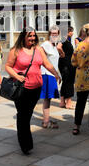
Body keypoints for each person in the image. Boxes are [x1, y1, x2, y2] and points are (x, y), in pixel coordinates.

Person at [5, 27, 61, 155]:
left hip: (36, 88)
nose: (32, 38)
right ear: (23, 37)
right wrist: (17, 76)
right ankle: (25, 145)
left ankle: (25, 141)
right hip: (21, 88)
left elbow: (46, 63)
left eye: (34, 36)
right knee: (22, 116)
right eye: (29, 36)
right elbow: (8, 66)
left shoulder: (38, 50)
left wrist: (56, 74)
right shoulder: (16, 50)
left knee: (27, 115)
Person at [40, 25, 62, 129]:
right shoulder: (46, 44)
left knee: (48, 98)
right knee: (47, 98)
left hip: (52, 74)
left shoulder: (55, 45)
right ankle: (46, 122)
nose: (54, 35)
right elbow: (42, 60)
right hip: (46, 74)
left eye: (56, 34)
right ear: (49, 34)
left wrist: (60, 49)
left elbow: (60, 58)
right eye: (52, 33)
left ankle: (46, 119)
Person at [58, 26, 76, 110]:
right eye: (71, 31)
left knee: (65, 82)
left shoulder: (66, 40)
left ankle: (62, 102)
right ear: (68, 32)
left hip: (65, 63)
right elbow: (58, 47)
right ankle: (68, 103)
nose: (72, 33)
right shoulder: (63, 39)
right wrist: (62, 53)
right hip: (66, 64)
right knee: (69, 82)